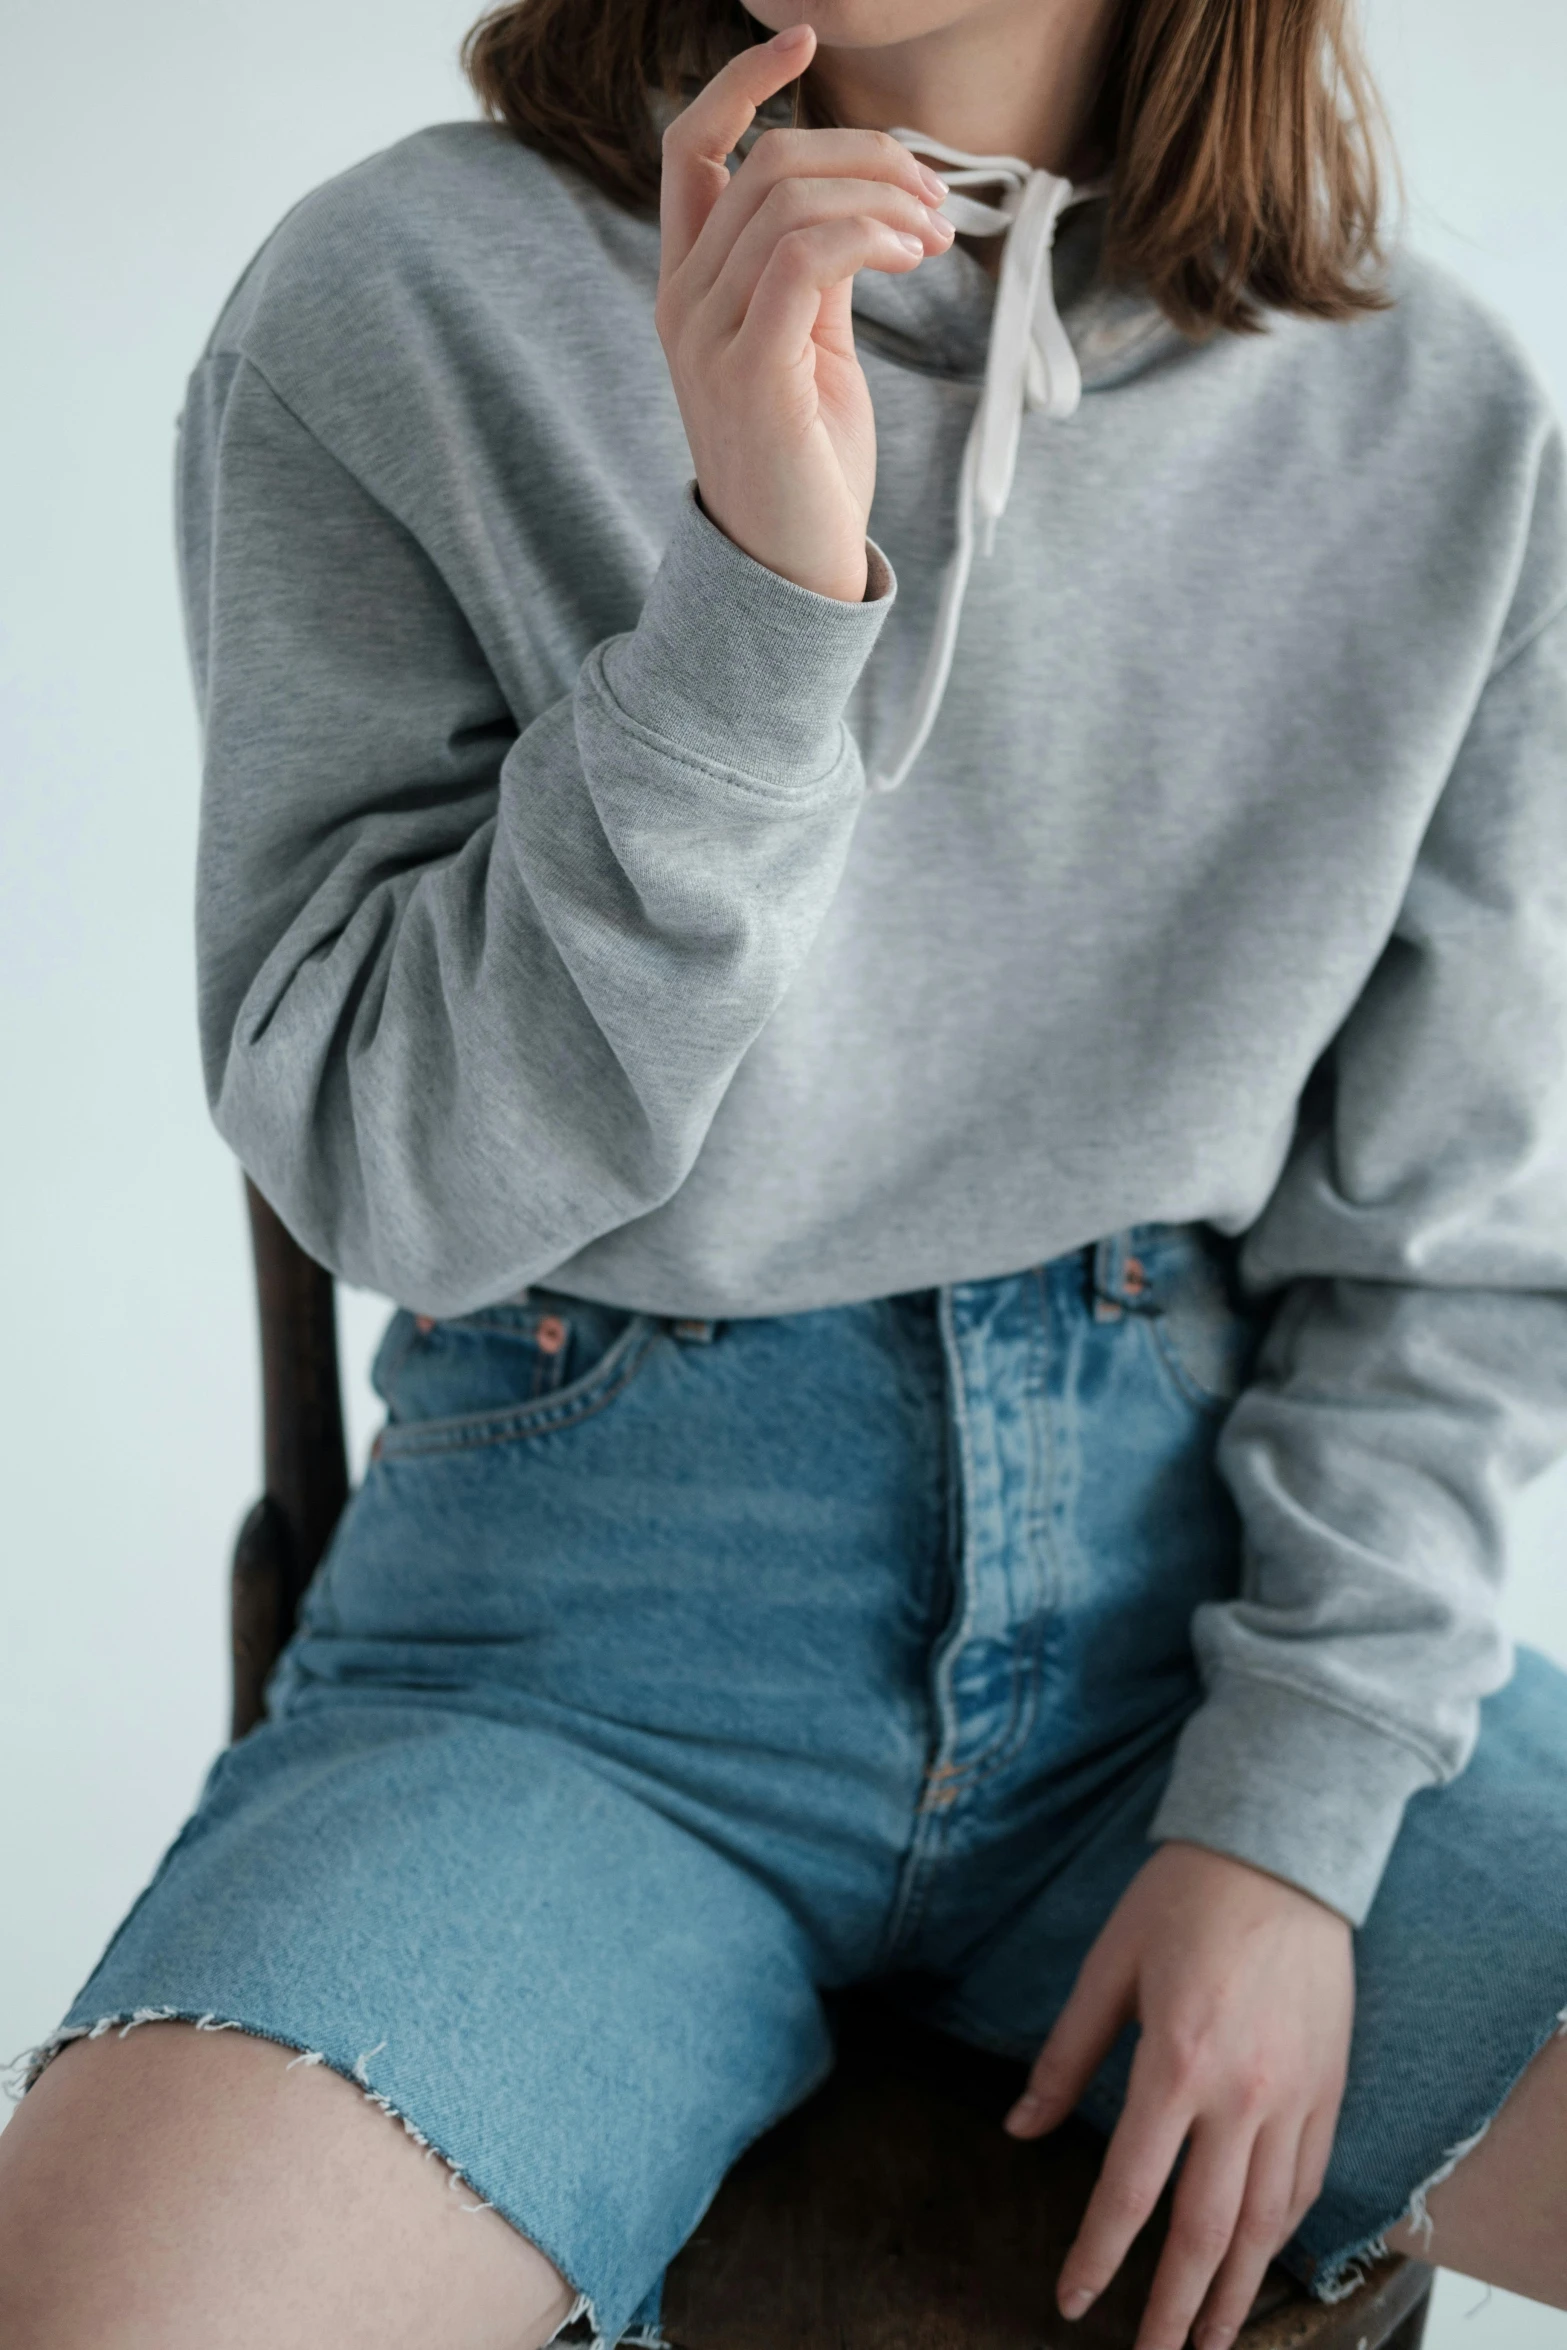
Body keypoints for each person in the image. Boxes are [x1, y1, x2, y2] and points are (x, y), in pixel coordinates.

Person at [2, 0, 1565, 2343]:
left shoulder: (1434, 414)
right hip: (569, 1644)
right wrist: (749, 592)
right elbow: (387, 1172)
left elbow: (1449, 1247)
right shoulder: (404, 300)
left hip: (1207, 1603)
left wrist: (1288, 1820)